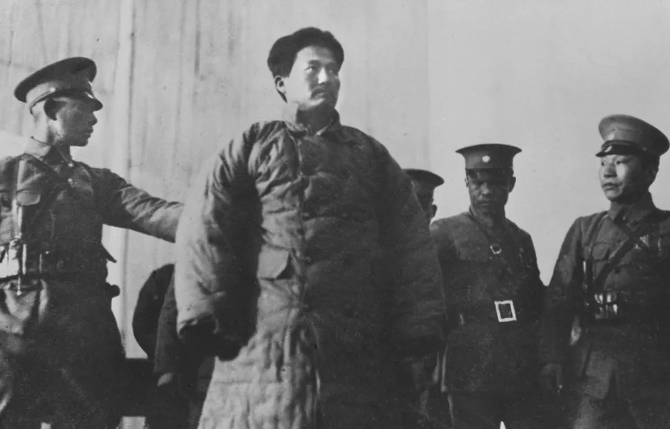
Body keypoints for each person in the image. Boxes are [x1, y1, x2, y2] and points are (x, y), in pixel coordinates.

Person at [174, 27, 445, 429]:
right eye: (314, 68)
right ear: (282, 83)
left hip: (355, 344)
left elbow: (410, 242)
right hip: (266, 344)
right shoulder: (252, 145)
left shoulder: (370, 156)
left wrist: (418, 324)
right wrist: (206, 312)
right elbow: (206, 224)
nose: (327, 78)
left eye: (334, 70)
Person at [0, 57, 183, 428]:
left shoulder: (98, 182)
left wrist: (228, 220)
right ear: (51, 109)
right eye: (84, 108)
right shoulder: (6, 173)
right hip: (13, 327)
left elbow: (156, 213)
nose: (95, 119)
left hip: (84, 331)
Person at [540, 114, 670, 428]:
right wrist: (551, 358)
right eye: (603, 163)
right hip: (594, 377)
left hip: (656, 376)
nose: (608, 172)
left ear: (651, 171)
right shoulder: (585, 229)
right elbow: (559, 301)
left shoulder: (666, 228)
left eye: (621, 162)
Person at [430, 144, 546, 428]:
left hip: (519, 364)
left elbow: (535, 299)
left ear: (511, 184)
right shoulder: (444, 232)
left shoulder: (521, 239)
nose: (486, 191)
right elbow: (426, 294)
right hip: (470, 364)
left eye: (495, 184)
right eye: (477, 183)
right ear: (466, 183)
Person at [133, 264, 213, 429]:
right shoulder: (163, 278)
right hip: (172, 372)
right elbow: (142, 326)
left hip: (201, 372)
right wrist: (168, 355)